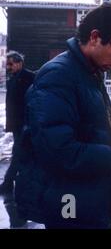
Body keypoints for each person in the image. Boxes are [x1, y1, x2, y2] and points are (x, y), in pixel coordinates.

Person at [15, 2, 111, 229]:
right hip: (69, 202)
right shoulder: (58, 76)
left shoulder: (89, 72)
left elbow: (92, 125)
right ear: (95, 37)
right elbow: (58, 150)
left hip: (90, 198)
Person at [0, 51, 35, 228]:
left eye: (11, 64)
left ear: (20, 63)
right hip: (17, 125)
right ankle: (18, 184)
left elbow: (34, 101)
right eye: (8, 64)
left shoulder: (30, 77)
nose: (8, 67)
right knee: (22, 154)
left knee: (19, 153)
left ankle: (7, 184)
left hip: (26, 124)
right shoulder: (13, 78)